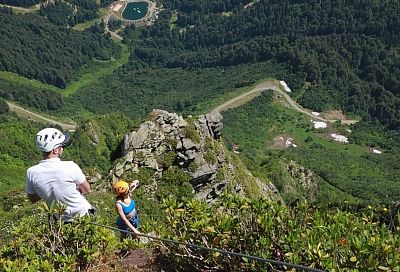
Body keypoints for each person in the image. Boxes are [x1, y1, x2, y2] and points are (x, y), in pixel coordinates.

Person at [26, 127, 94, 222]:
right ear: (56, 150)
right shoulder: (71, 166)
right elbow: (87, 189)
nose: (62, 149)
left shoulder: (31, 172)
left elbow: (32, 199)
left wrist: (46, 190)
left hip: (59, 222)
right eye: (61, 146)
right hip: (82, 217)